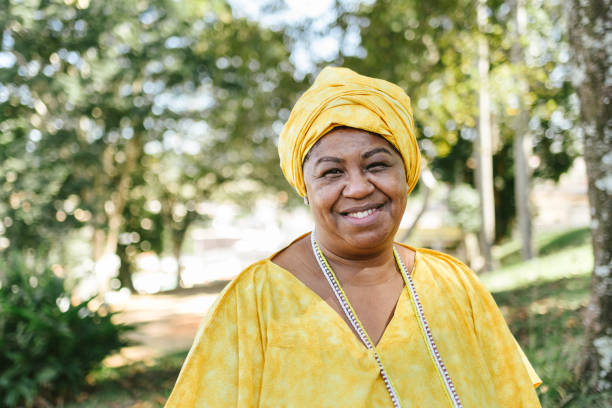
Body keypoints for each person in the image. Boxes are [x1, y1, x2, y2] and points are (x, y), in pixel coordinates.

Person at [165, 67, 542, 407]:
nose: (359, 188)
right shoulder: (252, 303)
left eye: (377, 165)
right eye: (331, 172)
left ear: (406, 173)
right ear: (306, 189)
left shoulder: (456, 286)